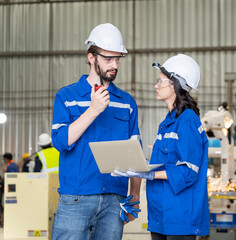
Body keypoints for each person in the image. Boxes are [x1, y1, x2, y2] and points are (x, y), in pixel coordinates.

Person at [51, 23, 141, 240]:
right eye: (108, 59)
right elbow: (61, 141)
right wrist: (93, 110)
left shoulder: (126, 103)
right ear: (91, 57)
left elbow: (134, 152)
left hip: (115, 198)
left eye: (117, 59)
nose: (114, 65)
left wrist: (135, 195)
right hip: (76, 197)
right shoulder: (67, 96)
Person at [113, 54, 210, 239]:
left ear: (176, 84)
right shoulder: (168, 122)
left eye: (161, 81)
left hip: (179, 217)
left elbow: (188, 170)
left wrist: (148, 173)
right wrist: (136, 167)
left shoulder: (187, 120)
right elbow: (163, 163)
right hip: (161, 214)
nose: (155, 86)